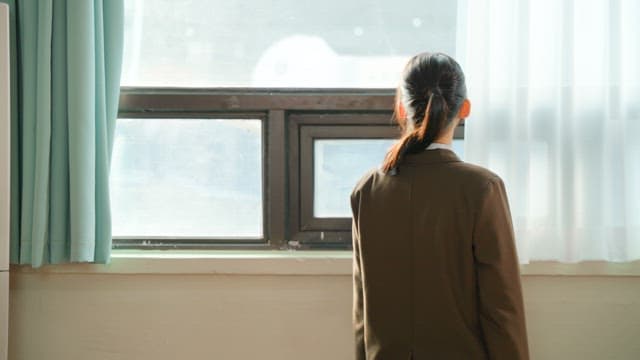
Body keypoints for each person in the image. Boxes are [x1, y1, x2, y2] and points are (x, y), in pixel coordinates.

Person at [350, 52, 529, 359]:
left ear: (401, 109)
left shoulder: (367, 189)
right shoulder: (482, 189)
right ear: (465, 109)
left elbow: (362, 311)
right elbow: (502, 308)